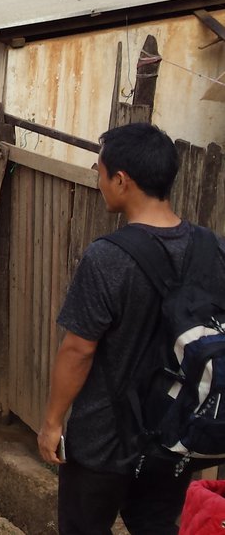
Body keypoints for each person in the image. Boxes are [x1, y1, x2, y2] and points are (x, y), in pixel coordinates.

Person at [37, 122, 225, 534]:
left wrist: (52, 421)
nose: (98, 179)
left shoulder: (107, 257)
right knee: (157, 527)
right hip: (174, 435)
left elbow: (78, 349)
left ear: (122, 180)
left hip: (104, 438)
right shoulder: (213, 249)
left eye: (100, 170)